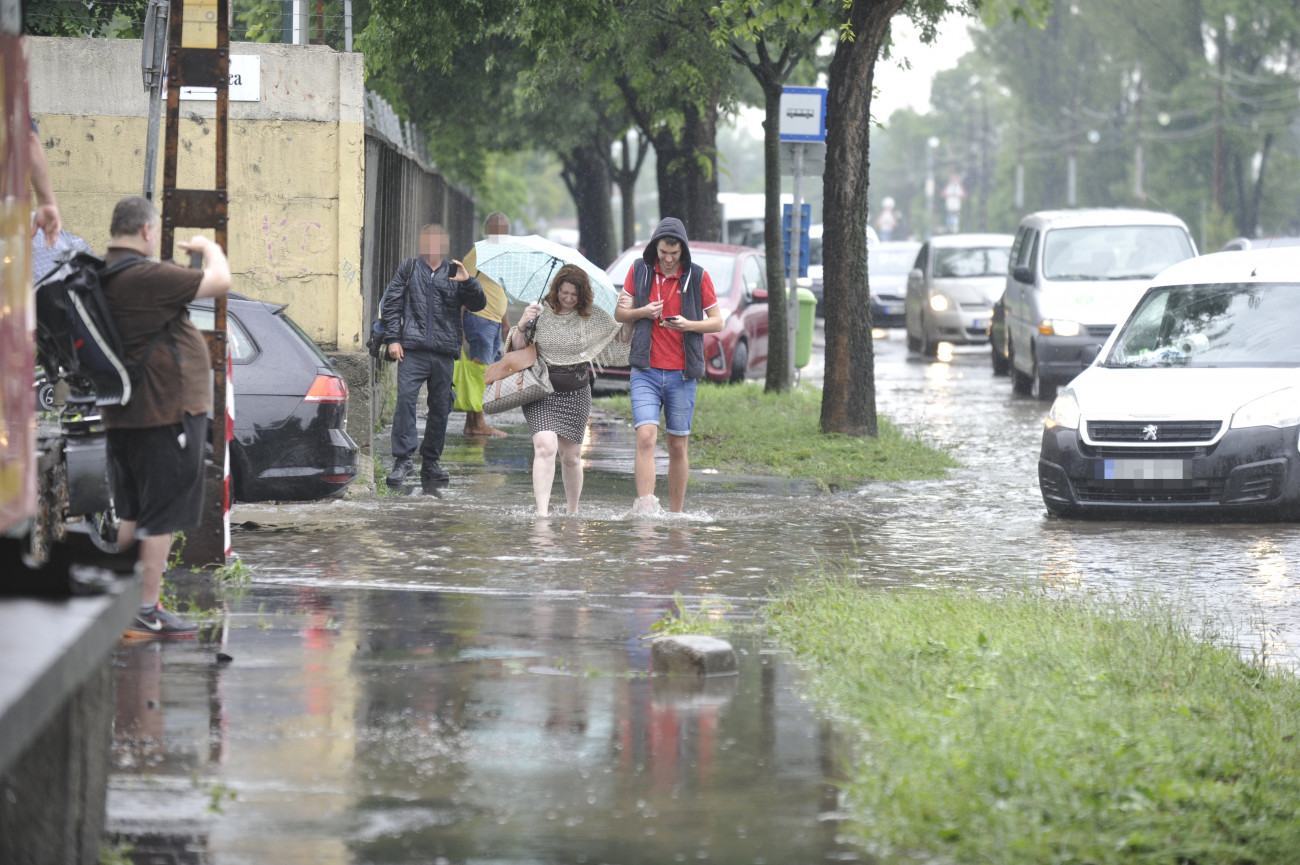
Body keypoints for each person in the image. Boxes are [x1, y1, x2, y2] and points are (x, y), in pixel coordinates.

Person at [100, 195, 232, 638]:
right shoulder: (146, 275)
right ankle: (145, 609)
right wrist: (209, 247)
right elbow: (220, 280)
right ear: (146, 231)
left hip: (125, 416)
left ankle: (120, 604)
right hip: (166, 414)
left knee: (133, 511)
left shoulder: (106, 275)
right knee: (159, 515)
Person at [614, 217, 722, 514]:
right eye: (663, 252)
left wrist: (691, 325)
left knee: (677, 445)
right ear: (655, 248)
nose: (669, 259)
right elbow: (620, 315)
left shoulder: (698, 277)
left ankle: (675, 514)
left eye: (674, 253)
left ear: (683, 251)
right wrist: (642, 311)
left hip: (682, 374)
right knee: (646, 437)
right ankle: (646, 508)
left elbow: (718, 321)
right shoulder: (639, 270)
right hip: (645, 370)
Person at [510, 265, 629, 516]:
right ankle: (542, 513)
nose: (568, 298)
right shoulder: (539, 310)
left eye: (574, 295)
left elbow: (619, 338)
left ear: (583, 295)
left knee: (571, 458)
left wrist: (630, 313)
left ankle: (572, 512)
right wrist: (522, 324)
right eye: (564, 292)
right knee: (544, 445)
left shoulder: (592, 315)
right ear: (556, 289)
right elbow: (516, 349)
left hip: (576, 392)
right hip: (541, 390)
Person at [383, 223, 486, 490]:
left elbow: (478, 305)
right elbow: (392, 304)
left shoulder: (455, 272)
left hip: (444, 352)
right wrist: (393, 339)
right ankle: (403, 460)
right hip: (413, 349)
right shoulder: (408, 269)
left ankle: (431, 461)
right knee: (405, 400)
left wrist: (469, 282)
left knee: (440, 407)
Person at [458, 211, 512, 437]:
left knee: (481, 371)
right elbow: (461, 287)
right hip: (479, 319)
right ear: (487, 231)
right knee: (480, 372)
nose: (499, 234)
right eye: (495, 230)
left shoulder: (503, 256)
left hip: (493, 322)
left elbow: (500, 290)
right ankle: (478, 422)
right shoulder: (477, 254)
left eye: (503, 231)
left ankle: (472, 424)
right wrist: (458, 325)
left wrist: (505, 323)